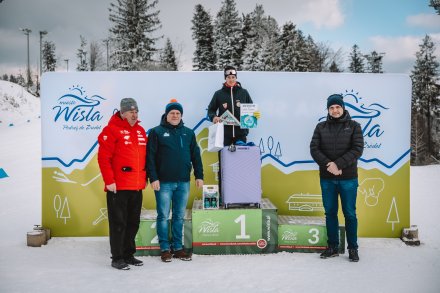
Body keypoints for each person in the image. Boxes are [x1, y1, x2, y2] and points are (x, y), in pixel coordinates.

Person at [146, 99, 204, 262]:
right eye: (172, 113)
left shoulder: (188, 132)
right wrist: (153, 177)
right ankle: (165, 249)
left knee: (179, 216)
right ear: (166, 114)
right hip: (163, 182)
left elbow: (195, 156)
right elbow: (150, 157)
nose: (175, 115)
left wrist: (199, 175)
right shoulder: (156, 132)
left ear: (181, 115)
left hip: (183, 182)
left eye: (178, 113)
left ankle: (178, 248)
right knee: (163, 216)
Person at [310, 94, 364, 262]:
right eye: (331, 107)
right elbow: (314, 149)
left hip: (348, 179)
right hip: (327, 179)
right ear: (328, 109)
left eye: (337, 107)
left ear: (343, 108)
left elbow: (357, 149)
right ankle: (332, 247)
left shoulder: (354, 126)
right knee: (330, 213)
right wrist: (329, 165)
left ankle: (353, 248)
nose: (335, 110)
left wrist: (338, 165)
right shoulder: (321, 127)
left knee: (350, 213)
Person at [97, 97, 147, 270]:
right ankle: (117, 257)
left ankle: (128, 254)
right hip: (118, 187)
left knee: (133, 223)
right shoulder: (111, 130)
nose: (134, 115)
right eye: (131, 112)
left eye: (136, 111)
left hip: (137, 186)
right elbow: (104, 158)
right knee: (119, 223)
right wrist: (109, 181)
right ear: (122, 113)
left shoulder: (140, 130)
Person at [207, 65, 256, 146]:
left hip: (241, 135)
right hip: (224, 134)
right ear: (225, 78)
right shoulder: (219, 94)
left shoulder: (244, 92)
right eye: (228, 77)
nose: (231, 79)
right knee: (224, 158)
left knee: (240, 159)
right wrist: (214, 117)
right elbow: (211, 109)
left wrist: (254, 115)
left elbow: (251, 109)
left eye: (233, 77)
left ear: (236, 77)